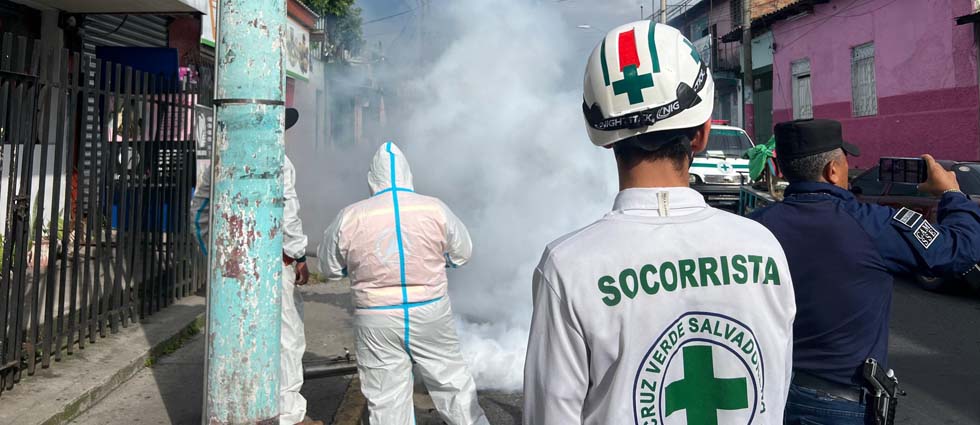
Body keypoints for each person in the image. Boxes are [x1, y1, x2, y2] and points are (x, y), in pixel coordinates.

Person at [523, 21, 796, 425]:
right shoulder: (764, 248)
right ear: (702, 134)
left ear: (604, 137)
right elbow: (774, 390)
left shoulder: (568, 268)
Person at [749, 119, 980, 424]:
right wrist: (952, 194)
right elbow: (960, 250)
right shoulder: (874, 225)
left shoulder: (753, 227)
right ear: (832, 170)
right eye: (846, 163)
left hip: (770, 396)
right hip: (841, 404)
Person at [318, 142, 489, 425]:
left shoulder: (351, 215)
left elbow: (329, 267)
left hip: (376, 318)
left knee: (386, 399)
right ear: (407, 174)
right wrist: (440, 261)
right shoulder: (434, 208)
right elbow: (463, 254)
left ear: (372, 178)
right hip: (430, 311)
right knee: (453, 385)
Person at [191, 108, 320, 425]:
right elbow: (288, 213)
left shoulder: (221, 160)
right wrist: (299, 256)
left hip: (233, 267)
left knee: (238, 340)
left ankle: (240, 410)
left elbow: (199, 214)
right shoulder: (279, 160)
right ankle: (288, 415)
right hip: (276, 264)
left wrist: (216, 259)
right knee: (287, 339)